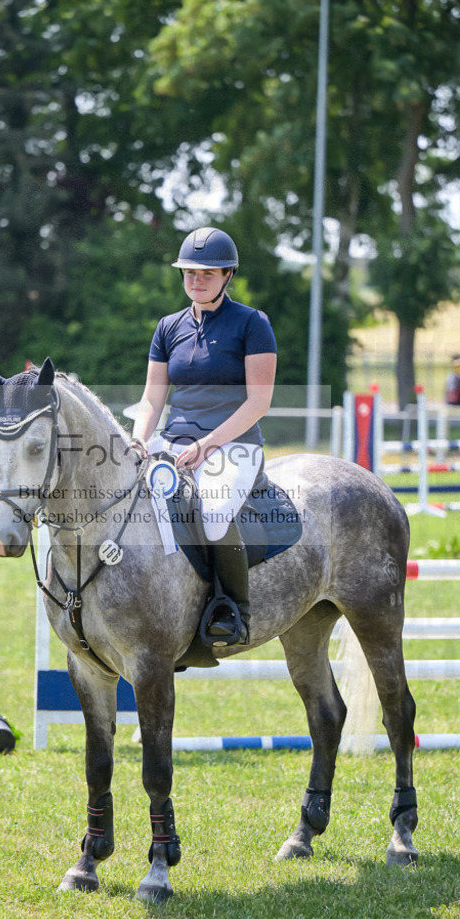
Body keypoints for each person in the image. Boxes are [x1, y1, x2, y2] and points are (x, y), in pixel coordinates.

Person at [131, 227, 277, 646]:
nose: (196, 281)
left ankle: (233, 611)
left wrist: (207, 444)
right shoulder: (168, 327)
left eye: (207, 273)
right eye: (189, 272)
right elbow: (151, 399)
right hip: (173, 445)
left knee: (212, 514)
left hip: (234, 446)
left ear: (228, 274)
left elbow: (258, 402)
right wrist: (140, 440)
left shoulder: (252, 323)